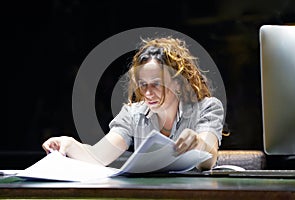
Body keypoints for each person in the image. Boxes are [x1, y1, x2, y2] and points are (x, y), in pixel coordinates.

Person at [42, 37, 224, 170]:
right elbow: (99, 156)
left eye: (156, 84)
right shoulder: (133, 114)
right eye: (142, 85)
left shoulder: (207, 107)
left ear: (177, 83)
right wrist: (69, 144)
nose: (147, 92)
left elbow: (209, 159)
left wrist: (198, 143)